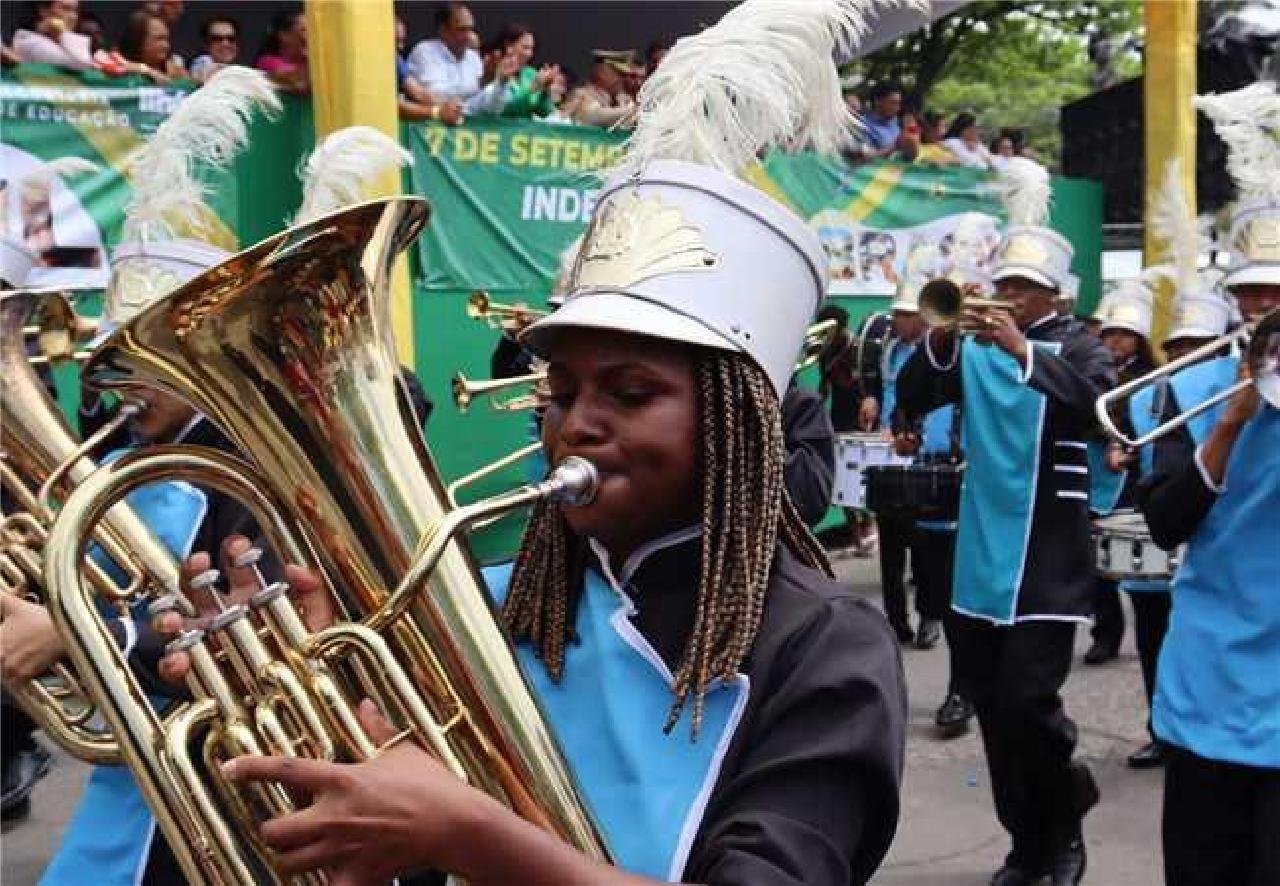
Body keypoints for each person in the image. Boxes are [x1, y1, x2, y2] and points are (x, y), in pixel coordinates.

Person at [159, 4, 908, 883]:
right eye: (562, 392)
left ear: (734, 424)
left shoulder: (824, 647)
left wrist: (465, 834)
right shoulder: (491, 601)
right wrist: (308, 688)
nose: (577, 422)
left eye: (631, 393)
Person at [898, 159, 1115, 886]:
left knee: (1030, 704)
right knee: (993, 711)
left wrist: (1022, 351)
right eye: (1007, 285)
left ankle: (1064, 824)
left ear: (1055, 293)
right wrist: (941, 338)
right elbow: (914, 391)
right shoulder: (973, 343)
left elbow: (1096, 406)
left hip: (1048, 554)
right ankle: (1025, 843)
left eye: (1025, 288)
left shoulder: (1081, 344)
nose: (1011, 298)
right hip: (981, 553)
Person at [1137, 83, 1280, 886]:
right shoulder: (1190, 390)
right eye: (1250, 291)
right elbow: (1165, 524)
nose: (1263, 307)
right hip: (1211, 677)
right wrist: (1228, 423)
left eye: (1277, 292)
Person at [1084, 279, 1157, 666]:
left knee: (1131, 556)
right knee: (1096, 561)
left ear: (1139, 340)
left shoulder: (1152, 376)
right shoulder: (1093, 369)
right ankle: (1105, 633)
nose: (1115, 341)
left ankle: (1149, 627)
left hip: (1130, 475)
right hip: (1093, 468)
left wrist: (1126, 446)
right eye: (1110, 333)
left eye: (1124, 335)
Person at [405, 3, 512, 116]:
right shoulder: (424, 52)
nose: (468, 36)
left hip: (465, 124)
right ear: (443, 30)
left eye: (470, 29)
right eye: (462, 29)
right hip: (428, 123)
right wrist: (478, 86)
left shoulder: (473, 58)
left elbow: (485, 105)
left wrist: (496, 80)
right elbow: (433, 95)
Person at [11, 0, 94, 70]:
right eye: (66, 8)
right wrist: (62, 33)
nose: (73, 17)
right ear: (44, 10)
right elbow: (82, 63)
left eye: (75, 11)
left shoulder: (63, 41)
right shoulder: (29, 42)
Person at [572, 49, 637, 129]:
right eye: (619, 74)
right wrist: (636, 111)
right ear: (601, 72)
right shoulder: (581, 95)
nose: (623, 80)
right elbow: (594, 117)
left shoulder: (621, 98)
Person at [118, 9, 186, 84]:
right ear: (139, 40)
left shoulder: (176, 72)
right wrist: (146, 70)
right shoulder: (117, 64)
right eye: (159, 39)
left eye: (166, 39)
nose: (166, 46)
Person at [256, 9, 309, 95]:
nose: (310, 35)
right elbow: (300, 85)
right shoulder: (267, 62)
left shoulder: (307, 62)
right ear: (284, 35)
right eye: (303, 30)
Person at [188, 15, 239, 84]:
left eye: (231, 38)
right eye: (217, 39)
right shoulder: (202, 61)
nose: (225, 44)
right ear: (205, 44)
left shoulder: (238, 71)